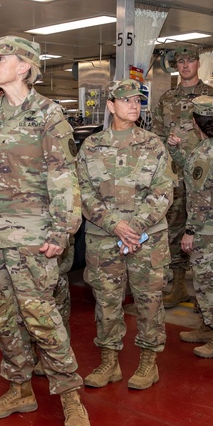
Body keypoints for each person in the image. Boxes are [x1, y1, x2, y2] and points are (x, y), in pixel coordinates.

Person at [0, 36, 90, 426]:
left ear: (24, 66)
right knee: (1, 315)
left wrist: (63, 231)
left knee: (40, 316)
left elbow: (64, 177)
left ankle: (70, 397)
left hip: (31, 235)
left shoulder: (49, 115)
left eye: (0, 58)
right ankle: (19, 388)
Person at [78, 79, 173, 390]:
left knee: (149, 301)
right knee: (106, 302)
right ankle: (109, 362)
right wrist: (115, 224)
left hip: (148, 239)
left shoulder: (153, 145)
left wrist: (136, 227)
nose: (134, 105)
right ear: (110, 105)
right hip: (104, 238)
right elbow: (83, 193)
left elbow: (163, 191)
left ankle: (149, 362)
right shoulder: (91, 147)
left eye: (138, 100)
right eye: (126, 99)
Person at [151, 45, 213, 313]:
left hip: (202, 178)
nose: (185, 65)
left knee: (204, 231)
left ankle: (209, 295)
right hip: (173, 175)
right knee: (174, 230)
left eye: (190, 61)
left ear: (198, 64)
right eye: (180, 62)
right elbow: (156, 134)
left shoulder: (211, 96)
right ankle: (179, 285)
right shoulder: (167, 98)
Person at [175, 96, 213, 359]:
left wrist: (190, 231)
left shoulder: (203, 154)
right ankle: (208, 327)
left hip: (207, 228)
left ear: (195, 122)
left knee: (207, 282)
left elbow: (198, 197)